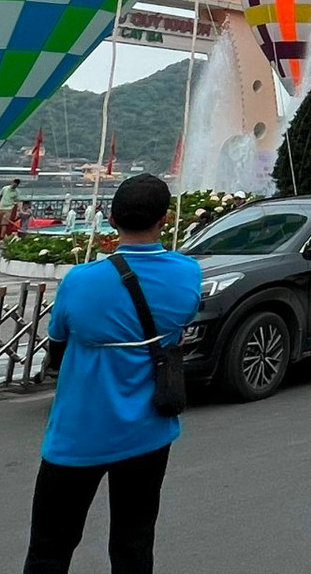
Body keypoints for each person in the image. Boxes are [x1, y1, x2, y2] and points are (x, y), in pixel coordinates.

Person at [23, 174, 201, 574]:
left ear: (110, 217)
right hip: (148, 434)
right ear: (165, 219)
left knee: (49, 549)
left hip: (77, 435)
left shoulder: (79, 281)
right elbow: (181, 323)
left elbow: (57, 347)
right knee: (134, 543)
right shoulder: (187, 273)